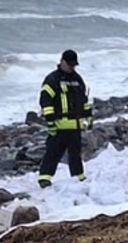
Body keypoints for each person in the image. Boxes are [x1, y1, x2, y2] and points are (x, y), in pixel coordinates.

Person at [37, 49, 92, 188]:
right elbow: (46, 101)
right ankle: (44, 178)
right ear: (62, 62)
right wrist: (50, 122)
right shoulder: (52, 79)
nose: (71, 68)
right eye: (69, 65)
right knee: (53, 153)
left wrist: (89, 117)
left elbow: (84, 100)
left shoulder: (78, 79)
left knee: (75, 154)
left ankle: (79, 178)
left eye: (74, 65)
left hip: (75, 125)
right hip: (59, 125)